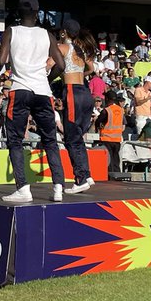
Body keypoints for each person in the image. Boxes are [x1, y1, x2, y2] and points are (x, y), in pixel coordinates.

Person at [0, 0, 66, 203]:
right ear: (37, 12)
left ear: (18, 12)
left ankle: (23, 188)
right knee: (50, 139)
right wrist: (47, 78)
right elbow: (61, 66)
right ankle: (58, 187)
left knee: (15, 140)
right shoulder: (47, 34)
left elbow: (1, 60)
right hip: (42, 91)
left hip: (20, 90)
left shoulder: (11, 31)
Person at [58, 18, 96, 194]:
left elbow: (51, 65)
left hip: (72, 92)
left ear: (64, 32)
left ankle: (80, 179)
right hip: (85, 93)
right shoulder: (81, 50)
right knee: (78, 137)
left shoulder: (63, 47)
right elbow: (91, 68)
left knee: (71, 138)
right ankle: (87, 175)